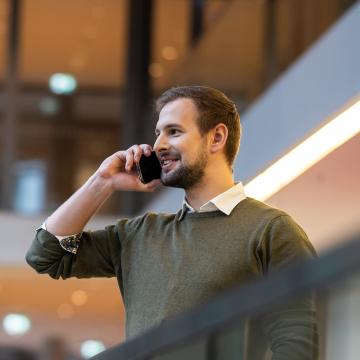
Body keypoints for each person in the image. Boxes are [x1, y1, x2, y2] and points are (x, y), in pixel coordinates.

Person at [26, 86, 318, 359]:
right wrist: (102, 182)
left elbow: (296, 345)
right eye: (158, 133)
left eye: (174, 132)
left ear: (216, 137)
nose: (158, 145)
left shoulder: (271, 230)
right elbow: (45, 255)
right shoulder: (140, 233)